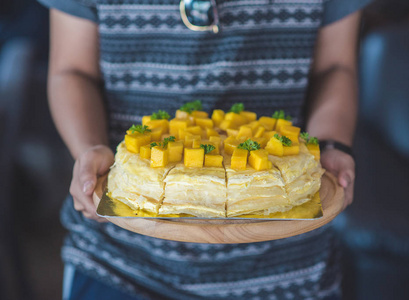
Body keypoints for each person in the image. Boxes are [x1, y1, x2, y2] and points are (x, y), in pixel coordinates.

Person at [38, 0, 370, 298]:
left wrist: (331, 144)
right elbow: (73, 70)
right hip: (117, 263)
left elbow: (335, 67)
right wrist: (90, 147)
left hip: (291, 271)